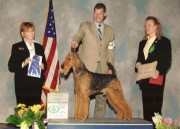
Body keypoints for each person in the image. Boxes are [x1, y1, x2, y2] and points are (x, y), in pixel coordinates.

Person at [71, 3, 115, 118]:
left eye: (100, 14)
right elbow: (79, 35)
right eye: (95, 13)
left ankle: (99, 123)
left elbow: (110, 50)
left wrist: (110, 67)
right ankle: (80, 118)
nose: (97, 16)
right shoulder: (85, 26)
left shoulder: (110, 31)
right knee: (82, 95)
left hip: (103, 67)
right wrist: (75, 41)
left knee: (101, 99)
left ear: (105, 14)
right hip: (87, 68)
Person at [135, 16, 172, 125]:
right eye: (145, 26)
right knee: (146, 111)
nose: (147, 27)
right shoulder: (142, 43)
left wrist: (159, 71)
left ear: (156, 27)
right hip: (145, 80)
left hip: (156, 78)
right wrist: (137, 64)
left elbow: (167, 61)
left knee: (156, 111)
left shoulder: (164, 42)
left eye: (149, 25)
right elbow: (139, 60)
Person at [8, 22, 47, 107]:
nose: (32, 33)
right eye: (28, 31)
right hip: (22, 83)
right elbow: (11, 66)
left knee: (35, 108)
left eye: (32, 31)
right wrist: (24, 63)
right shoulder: (16, 46)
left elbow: (45, 65)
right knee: (23, 108)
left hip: (36, 82)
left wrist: (43, 66)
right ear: (22, 34)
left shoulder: (39, 47)